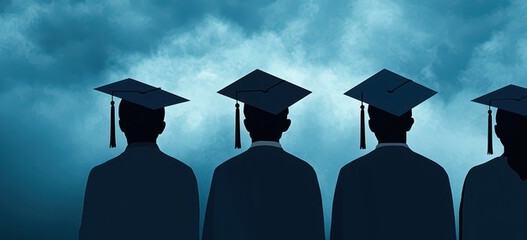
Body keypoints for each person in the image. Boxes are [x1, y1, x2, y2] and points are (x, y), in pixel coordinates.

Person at [331, 69, 455, 240]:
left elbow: (339, 232)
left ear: (371, 125)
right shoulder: (435, 172)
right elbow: (445, 232)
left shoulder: (351, 172)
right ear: (410, 123)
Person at [203, 69, 324, 240]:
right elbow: (314, 231)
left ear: (246, 124)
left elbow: (212, 231)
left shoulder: (225, 172)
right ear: (286, 125)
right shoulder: (304, 171)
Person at [80, 78, 199, 240]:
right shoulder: (182, 173)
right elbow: (190, 230)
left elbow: (89, 232)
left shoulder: (101, 174)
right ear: (162, 127)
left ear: (121, 125)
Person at [461, 84, 527, 240]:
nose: (520, 135)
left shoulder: (479, 176)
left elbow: (470, 230)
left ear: (497, 132)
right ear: (499, 132)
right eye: (514, 129)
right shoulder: (479, 176)